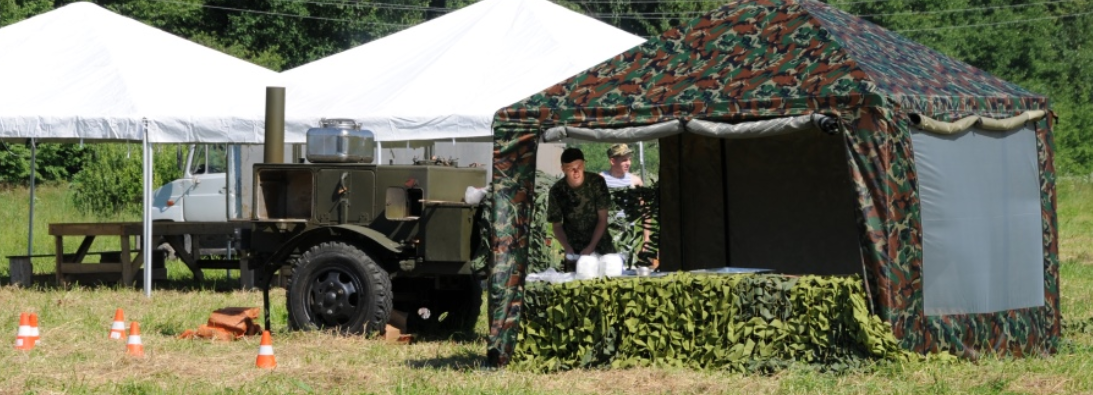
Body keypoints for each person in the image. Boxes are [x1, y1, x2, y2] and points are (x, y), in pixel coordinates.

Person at [548, 148, 615, 270]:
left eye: (579, 166)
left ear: (584, 164)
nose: (576, 171)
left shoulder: (596, 183)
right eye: (570, 168)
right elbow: (557, 225)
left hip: (601, 247)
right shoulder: (557, 191)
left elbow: (602, 219)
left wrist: (591, 247)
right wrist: (567, 247)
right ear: (563, 169)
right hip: (575, 252)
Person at [600, 144, 653, 266]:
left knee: (627, 272)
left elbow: (646, 212)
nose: (628, 163)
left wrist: (646, 240)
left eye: (629, 159)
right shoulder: (600, 180)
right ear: (613, 161)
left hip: (628, 238)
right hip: (606, 236)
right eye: (624, 160)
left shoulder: (635, 182)